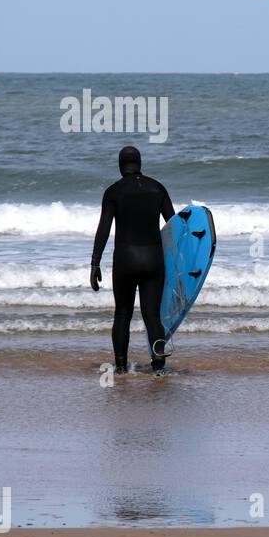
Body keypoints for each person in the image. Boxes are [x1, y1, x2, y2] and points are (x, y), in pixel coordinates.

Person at [91, 145, 175, 374]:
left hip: (125, 260)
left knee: (122, 313)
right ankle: (158, 366)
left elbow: (104, 230)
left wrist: (95, 263)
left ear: (120, 166)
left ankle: (120, 367)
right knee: (152, 315)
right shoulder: (157, 188)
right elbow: (174, 226)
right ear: (140, 164)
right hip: (153, 260)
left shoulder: (113, 191)